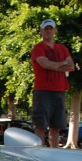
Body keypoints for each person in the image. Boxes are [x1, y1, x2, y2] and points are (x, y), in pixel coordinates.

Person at [30, 19, 75, 148]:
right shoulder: (38, 48)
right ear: (41, 31)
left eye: (51, 28)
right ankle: (38, 153)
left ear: (55, 30)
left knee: (56, 127)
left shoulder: (62, 48)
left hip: (60, 90)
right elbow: (44, 64)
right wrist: (62, 64)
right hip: (43, 91)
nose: (48, 31)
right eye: (46, 29)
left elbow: (71, 66)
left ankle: (54, 152)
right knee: (41, 126)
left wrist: (54, 65)